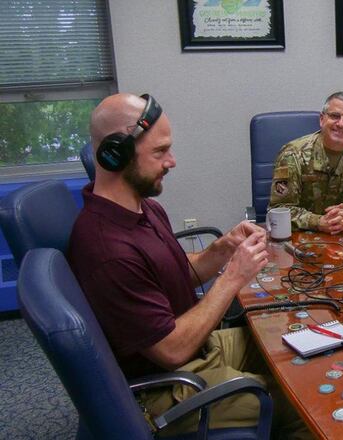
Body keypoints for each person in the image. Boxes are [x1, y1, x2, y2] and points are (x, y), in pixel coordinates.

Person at [67, 93, 313, 438]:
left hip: (201, 348)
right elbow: (172, 350)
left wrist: (223, 250)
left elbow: (176, 271)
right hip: (166, 387)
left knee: (292, 346)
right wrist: (233, 277)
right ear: (116, 153)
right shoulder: (107, 248)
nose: (172, 161)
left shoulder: (143, 209)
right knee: (306, 400)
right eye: (159, 151)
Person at [269, 91, 343, 234]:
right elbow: (280, 209)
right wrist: (318, 222)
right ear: (322, 119)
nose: (341, 124)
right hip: (302, 237)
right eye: (334, 116)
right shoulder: (293, 154)